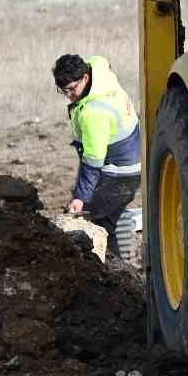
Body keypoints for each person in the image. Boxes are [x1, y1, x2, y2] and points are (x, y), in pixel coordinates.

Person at [53, 53, 140, 261]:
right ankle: (121, 223)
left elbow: (92, 163)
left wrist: (80, 198)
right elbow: (102, 61)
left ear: (84, 78)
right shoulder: (96, 68)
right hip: (132, 156)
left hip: (121, 172)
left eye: (72, 89)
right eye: (63, 91)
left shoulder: (94, 113)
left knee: (92, 220)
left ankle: (115, 268)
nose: (69, 96)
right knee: (107, 210)